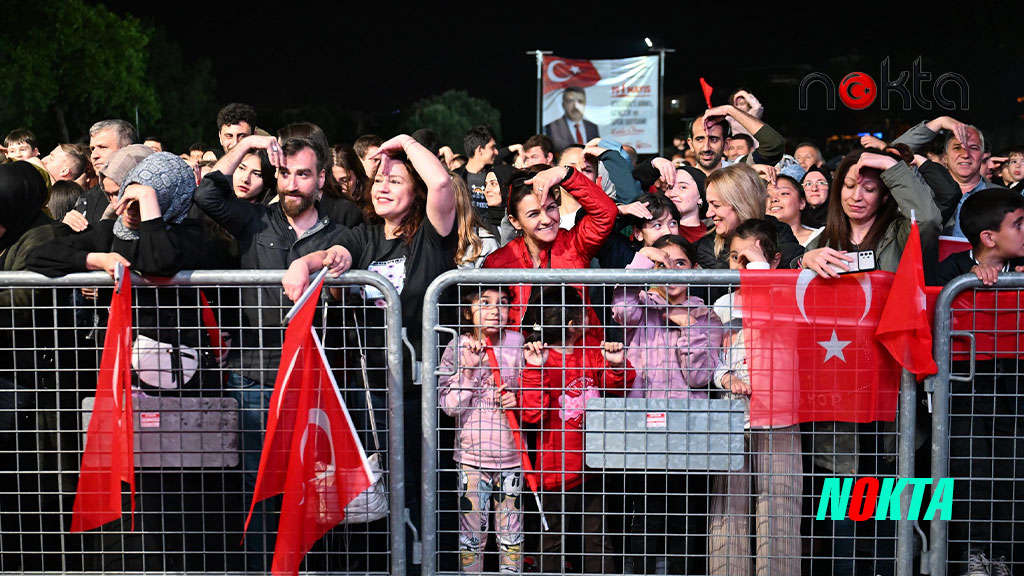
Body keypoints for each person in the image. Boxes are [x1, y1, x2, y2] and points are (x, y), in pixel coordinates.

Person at [283, 133, 457, 570]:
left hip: (421, 393)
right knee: (375, 492)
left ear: (414, 191)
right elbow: (338, 252)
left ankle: (428, 565)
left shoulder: (432, 237)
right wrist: (306, 262)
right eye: (379, 178)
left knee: (424, 491)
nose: (382, 186)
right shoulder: (364, 235)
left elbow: (441, 185)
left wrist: (402, 143)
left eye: (395, 181)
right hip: (372, 392)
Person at [194, 134, 346, 571]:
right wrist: (250, 144)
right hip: (255, 379)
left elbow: (351, 266)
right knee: (258, 489)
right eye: (284, 173)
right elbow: (207, 193)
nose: (292, 183)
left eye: (302, 174)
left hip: (314, 387)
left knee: (315, 491)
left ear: (321, 180)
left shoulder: (339, 233)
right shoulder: (255, 220)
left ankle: (309, 567)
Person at [925, 188, 1024, 575]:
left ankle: (1005, 557)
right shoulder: (948, 272)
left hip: (1013, 389)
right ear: (988, 237)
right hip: (962, 391)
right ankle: (974, 556)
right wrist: (967, 281)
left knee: (1012, 474)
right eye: (1017, 224)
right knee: (971, 474)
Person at [518, 285, 634, 574]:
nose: (590, 318)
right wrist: (535, 370)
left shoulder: (591, 351)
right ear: (573, 324)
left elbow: (618, 386)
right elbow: (532, 414)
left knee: (597, 540)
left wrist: (617, 365)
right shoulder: (540, 357)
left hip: (592, 466)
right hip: (554, 470)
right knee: (552, 542)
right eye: (584, 313)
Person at [709, 219, 802, 576]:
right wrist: (724, 377)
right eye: (735, 258)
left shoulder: (786, 292)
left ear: (774, 260)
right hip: (732, 417)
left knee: (778, 509)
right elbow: (711, 356)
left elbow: (772, 322)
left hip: (779, 418)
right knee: (727, 513)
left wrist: (760, 272)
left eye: (749, 258)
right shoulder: (721, 303)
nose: (741, 267)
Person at [437, 286, 524, 574]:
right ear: (467, 312)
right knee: (472, 537)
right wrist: (470, 372)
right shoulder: (457, 347)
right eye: (484, 303)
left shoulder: (517, 342)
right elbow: (449, 406)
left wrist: (517, 400)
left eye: (503, 303)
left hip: (511, 458)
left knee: (511, 537)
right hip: (471, 460)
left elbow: (532, 398)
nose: (495, 309)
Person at [481, 163, 617, 328]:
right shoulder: (498, 262)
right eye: (534, 214)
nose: (546, 219)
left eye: (551, 208)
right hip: (520, 350)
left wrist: (565, 174)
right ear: (514, 221)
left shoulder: (575, 244)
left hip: (577, 349)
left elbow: (606, 213)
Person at [891, 115, 987, 238]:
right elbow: (893, 153)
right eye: (957, 148)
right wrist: (939, 122)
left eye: (973, 148)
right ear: (945, 157)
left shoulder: (999, 196)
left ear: (983, 155)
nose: (965, 154)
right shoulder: (922, 191)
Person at [695, 163, 803, 270]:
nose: (708, 213)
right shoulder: (708, 247)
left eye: (716, 205)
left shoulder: (779, 233)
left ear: (742, 204)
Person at [66, 119, 138, 232]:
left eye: (103, 147)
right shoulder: (87, 198)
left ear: (126, 149)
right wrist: (66, 225)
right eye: (92, 149)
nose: (94, 155)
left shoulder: (152, 192)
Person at [767, 173, 822, 246]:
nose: (774, 199)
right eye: (767, 195)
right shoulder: (754, 241)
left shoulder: (822, 238)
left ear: (802, 203)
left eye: (783, 193)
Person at [544, 86, 600, 152]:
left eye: (580, 101)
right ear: (563, 104)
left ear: (585, 104)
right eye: (570, 101)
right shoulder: (551, 128)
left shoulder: (593, 127)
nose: (576, 106)